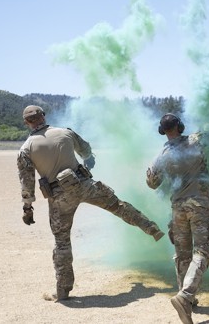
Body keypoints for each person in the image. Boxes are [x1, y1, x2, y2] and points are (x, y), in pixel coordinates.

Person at [17, 105, 164, 302]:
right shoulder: (65, 132)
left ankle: (62, 291)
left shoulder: (25, 149)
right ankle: (151, 228)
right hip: (84, 184)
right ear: (43, 116)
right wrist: (89, 159)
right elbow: (85, 149)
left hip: (60, 197)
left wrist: (28, 207)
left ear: (27, 122)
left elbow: (27, 182)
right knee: (118, 207)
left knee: (62, 243)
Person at [146, 114, 209, 324]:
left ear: (162, 130)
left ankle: (187, 299)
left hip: (177, 207)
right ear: (180, 126)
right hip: (199, 204)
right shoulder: (196, 140)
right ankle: (186, 296)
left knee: (182, 254)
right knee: (202, 251)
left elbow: (151, 182)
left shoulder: (161, 156)